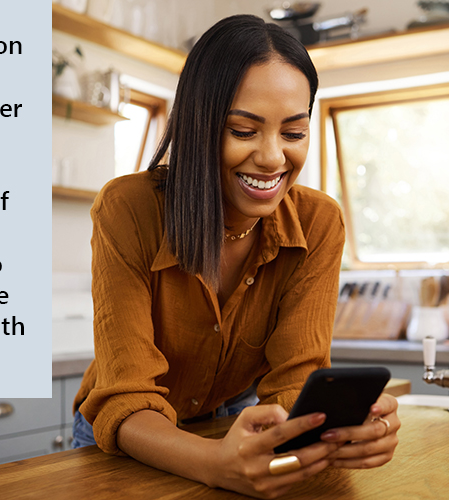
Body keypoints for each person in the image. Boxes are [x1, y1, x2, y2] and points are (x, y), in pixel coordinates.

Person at [71, 14, 400, 499]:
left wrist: (336, 434)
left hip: (233, 431)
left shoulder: (319, 223)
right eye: (243, 131)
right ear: (198, 125)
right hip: (129, 439)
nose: (272, 158)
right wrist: (214, 464)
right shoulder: (128, 208)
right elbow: (126, 394)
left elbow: (296, 380)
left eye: (293, 133)